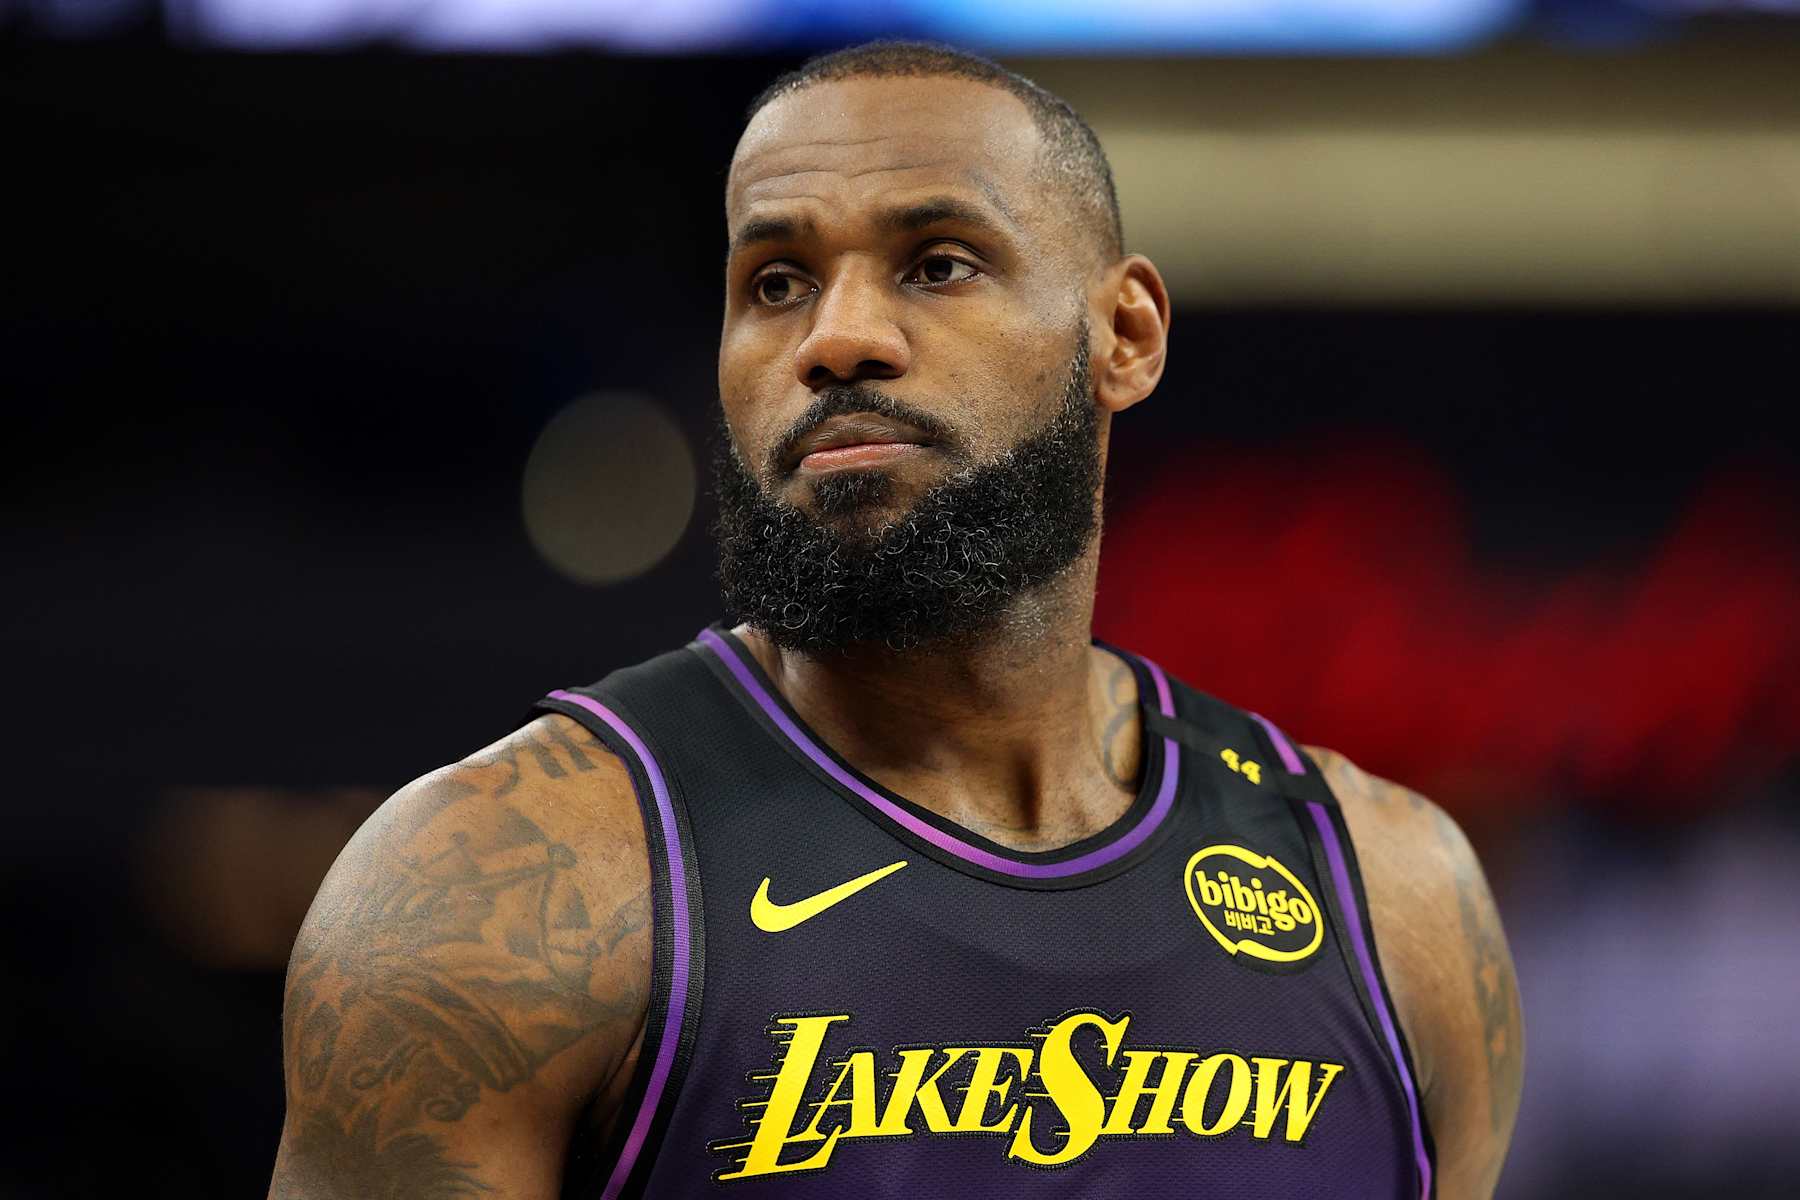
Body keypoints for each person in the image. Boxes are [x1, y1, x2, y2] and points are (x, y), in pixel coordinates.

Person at [268, 41, 1522, 1200]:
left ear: (1123, 334)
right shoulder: (494, 894)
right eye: (774, 282)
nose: (838, 338)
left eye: (938, 263)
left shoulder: (1396, 899)